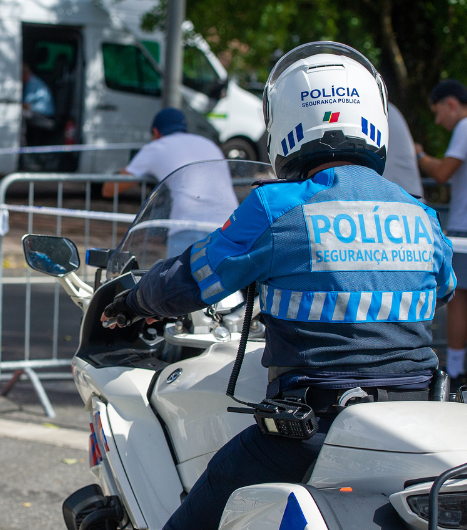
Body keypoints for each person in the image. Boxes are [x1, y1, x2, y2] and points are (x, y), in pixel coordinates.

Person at [101, 42, 455, 530]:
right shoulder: (419, 213)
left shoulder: (278, 207)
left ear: (284, 121)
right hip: (420, 419)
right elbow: (443, 289)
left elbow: (192, 278)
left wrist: (136, 301)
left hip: (314, 426)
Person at [103, 107, 236, 257]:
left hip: (188, 224)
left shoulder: (157, 147)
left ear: (156, 132)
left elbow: (110, 189)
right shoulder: (209, 144)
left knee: (180, 279)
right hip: (229, 224)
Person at [415, 79, 467, 384]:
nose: (437, 121)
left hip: (463, 226)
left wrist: (419, 154)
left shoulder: (463, 127)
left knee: (459, 299)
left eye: (437, 112)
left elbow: (443, 172)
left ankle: (458, 371)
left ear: (450, 104)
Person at [384, 102, 424, 197]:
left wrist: (420, 155)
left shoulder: (376, 108)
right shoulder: (387, 107)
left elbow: (442, 174)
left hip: (394, 202)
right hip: (410, 201)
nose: (437, 121)